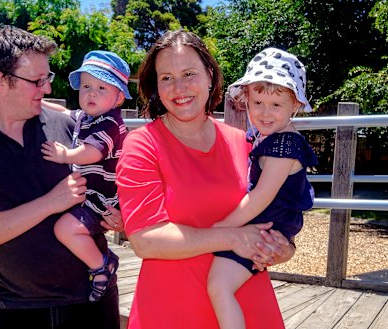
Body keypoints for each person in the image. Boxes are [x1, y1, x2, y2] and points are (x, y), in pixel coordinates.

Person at [0, 25, 122, 329]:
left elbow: (118, 173)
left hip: (93, 302)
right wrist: (51, 202)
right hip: (18, 311)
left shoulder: (69, 127)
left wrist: (122, 216)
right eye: (36, 81)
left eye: (48, 78)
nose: (46, 89)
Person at [115, 30, 296, 329]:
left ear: (210, 76)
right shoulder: (142, 144)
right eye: (166, 78)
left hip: (248, 304)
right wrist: (232, 236)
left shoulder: (246, 143)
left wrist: (284, 247)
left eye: (189, 73)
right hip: (172, 310)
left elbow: (279, 211)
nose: (179, 87)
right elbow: (145, 240)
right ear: (156, 87)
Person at [207, 47, 319, 329]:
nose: (265, 113)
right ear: (246, 100)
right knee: (220, 284)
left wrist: (221, 228)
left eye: (276, 105)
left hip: (269, 220)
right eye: (258, 102)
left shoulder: (284, 144)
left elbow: (261, 197)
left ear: (295, 105)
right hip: (269, 218)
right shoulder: (266, 134)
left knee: (219, 286)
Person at [40, 50, 130, 302]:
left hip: (101, 201)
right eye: (87, 86)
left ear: (119, 98)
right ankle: (99, 263)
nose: (92, 92)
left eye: (102, 87)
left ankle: (103, 265)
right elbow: (62, 111)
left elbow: (92, 152)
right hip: (88, 196)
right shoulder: (86, 117)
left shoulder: (109, 124)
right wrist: (38, 102)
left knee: (65, 229)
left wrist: (65, 155)